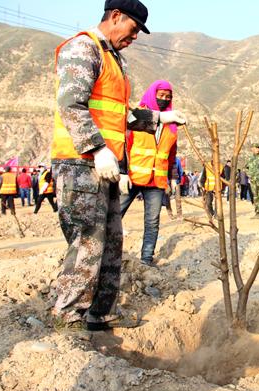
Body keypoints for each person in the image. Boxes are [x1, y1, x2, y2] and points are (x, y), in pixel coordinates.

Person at [50, 0, 185, 331]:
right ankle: (67, 320)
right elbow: (71, 104)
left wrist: (157, 117)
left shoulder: (114, 60)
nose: (135, 36)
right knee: (87, 241)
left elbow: (119, 114)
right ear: (114, 17)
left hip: (104, 166)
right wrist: (96, 149)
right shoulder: (84, 48)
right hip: (80, 163)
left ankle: (100, 313)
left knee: (110, 239)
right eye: (134, 28)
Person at [119, 80, 182, 265]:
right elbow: (123, 143)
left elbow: (172, 153)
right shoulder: (137, 117)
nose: (163, 99)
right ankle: (108, 253)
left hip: (156, 181)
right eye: (160, 95)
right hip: (133, 177)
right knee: (115, 215)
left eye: (168, 97)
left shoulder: (171, 124)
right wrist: (122, 171)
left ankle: (146, 259)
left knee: (152, 221)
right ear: (152, 94)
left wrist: (172, 177)